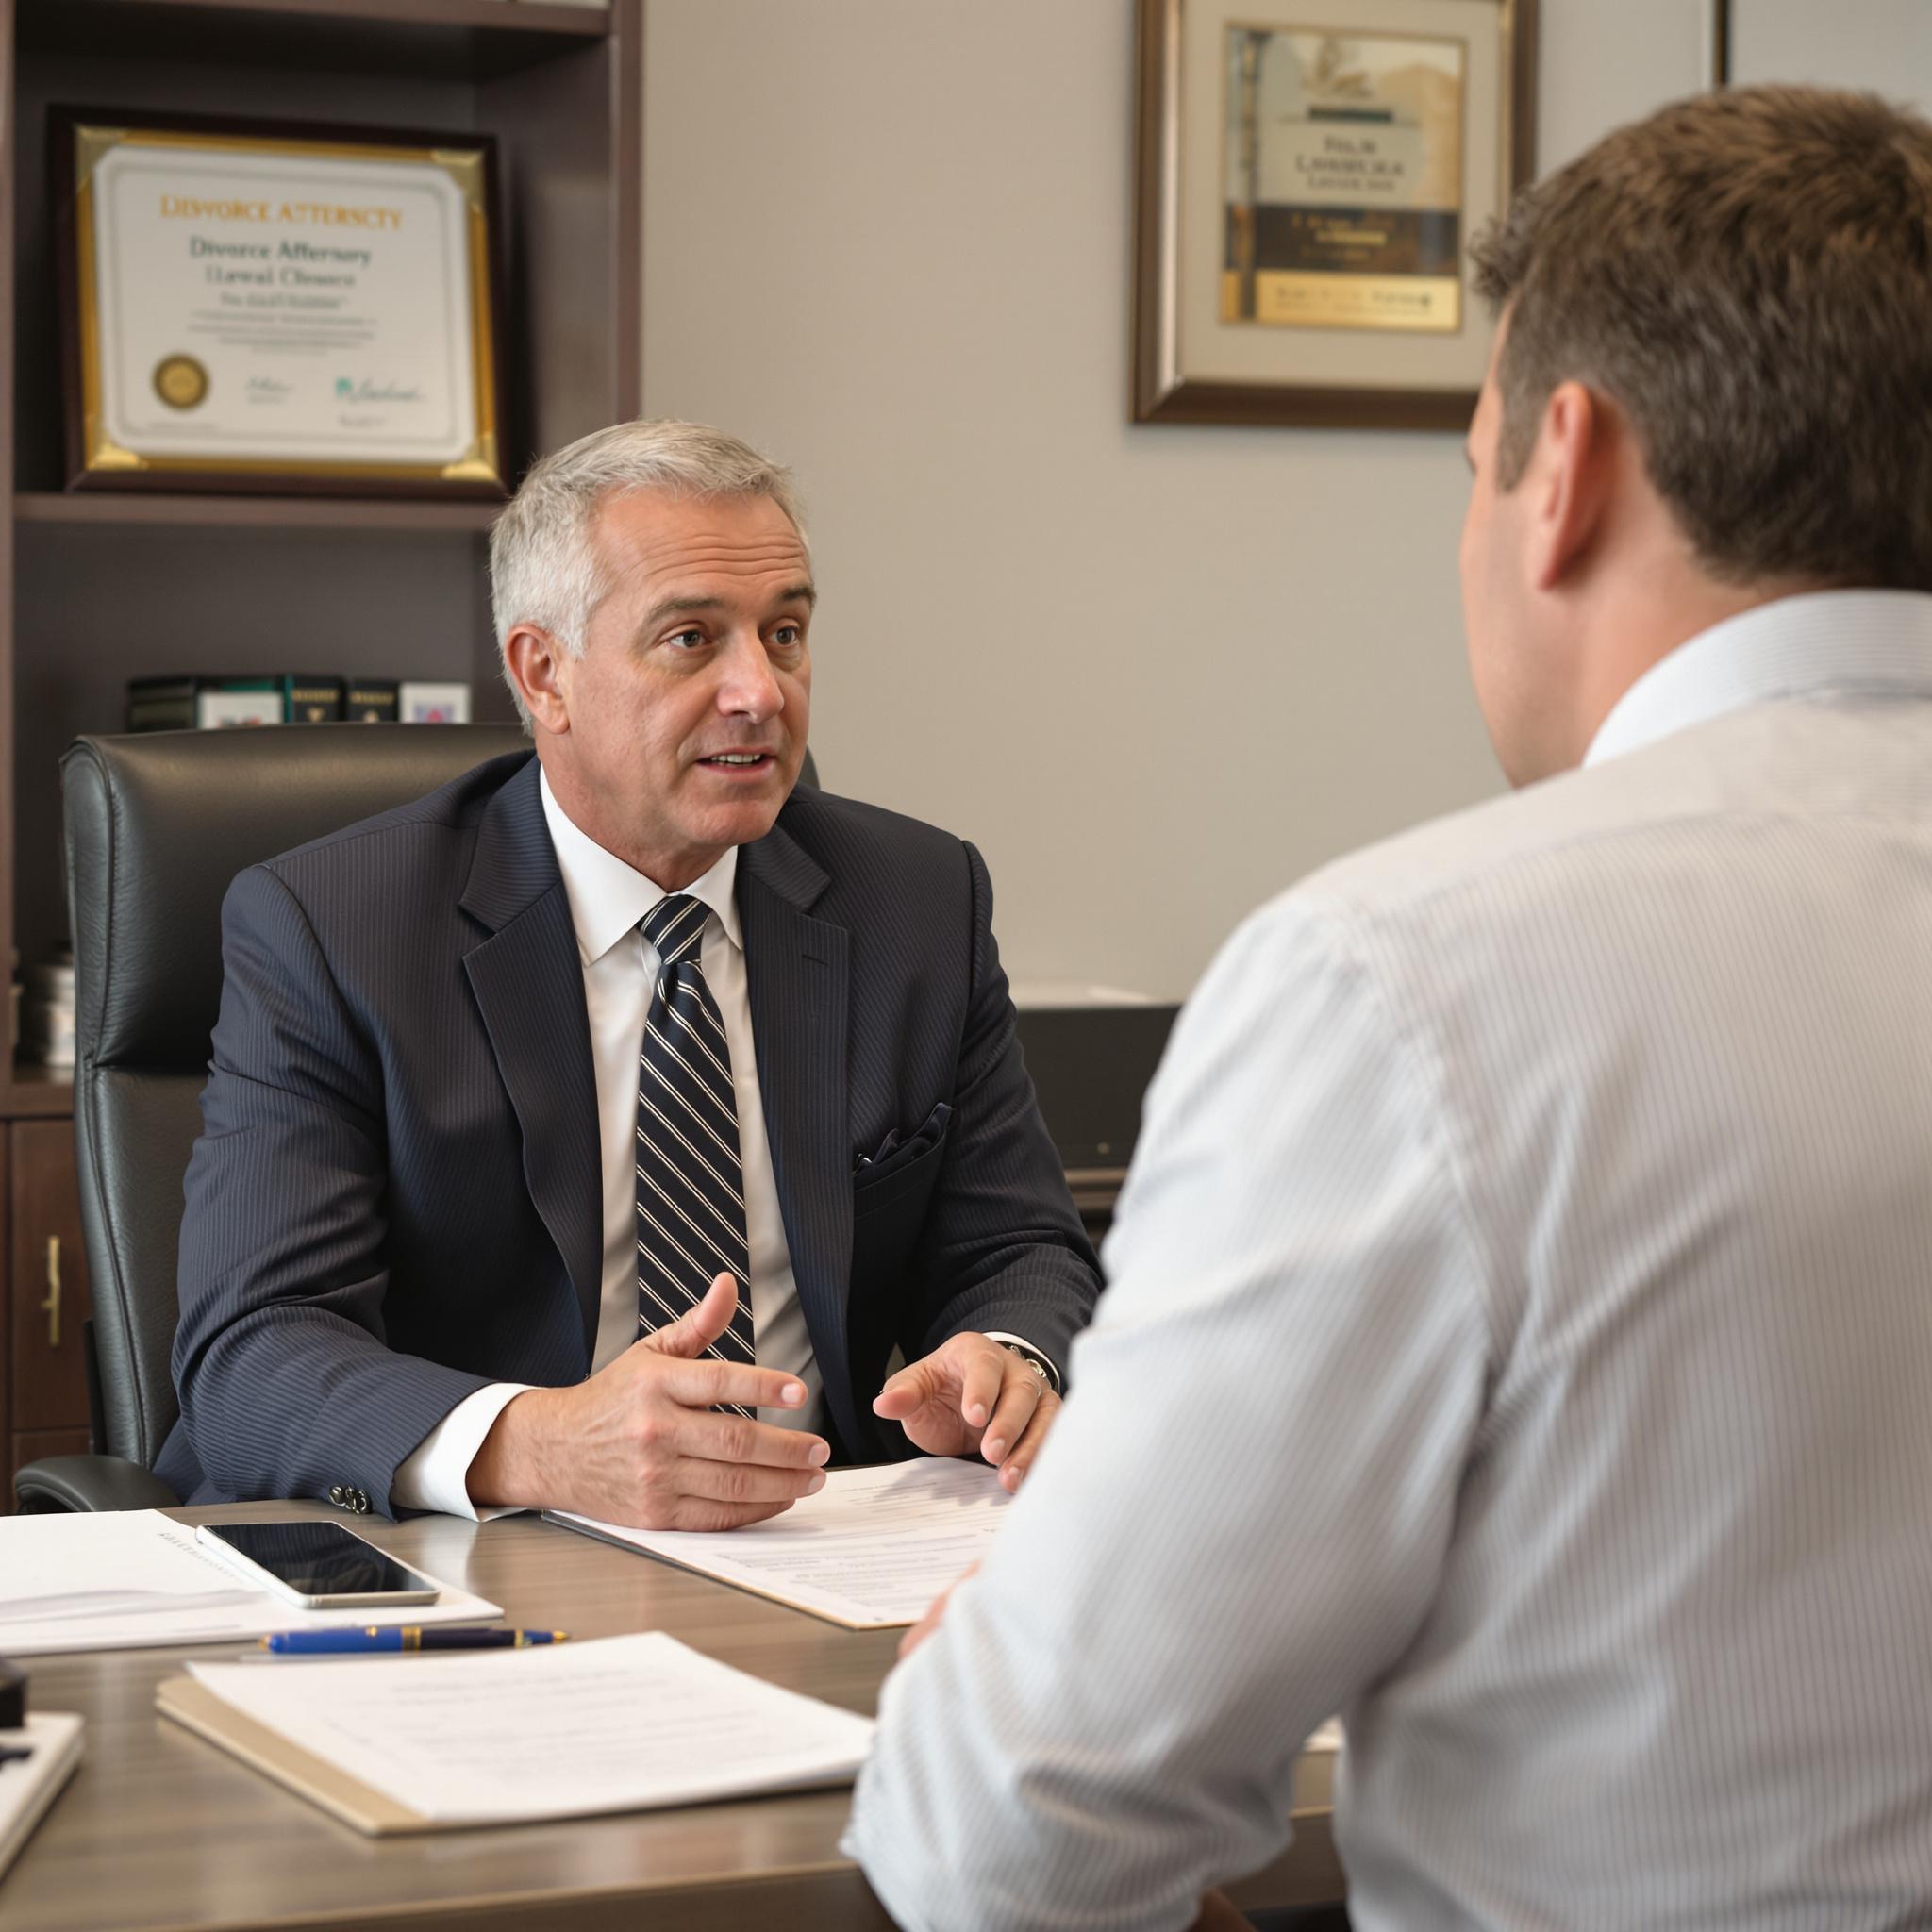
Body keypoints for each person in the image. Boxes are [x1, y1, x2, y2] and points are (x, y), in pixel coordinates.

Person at [848, 84, 1932, 1932]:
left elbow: (1018, 1837)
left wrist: (1007, 1681)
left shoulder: (1418, 980)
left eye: (1468, 463)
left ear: (1561, 470)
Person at [158, 420, 1101, 1527]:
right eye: (692, 639)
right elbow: (252, 1351)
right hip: (458, 1551)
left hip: (814, 1547)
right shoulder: (333, 927)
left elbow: (1022, 1245)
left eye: (785, 632)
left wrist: (1001, 1357)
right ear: (543, 672)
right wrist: (539, 1444)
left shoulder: (917, 900)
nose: (759, 689)